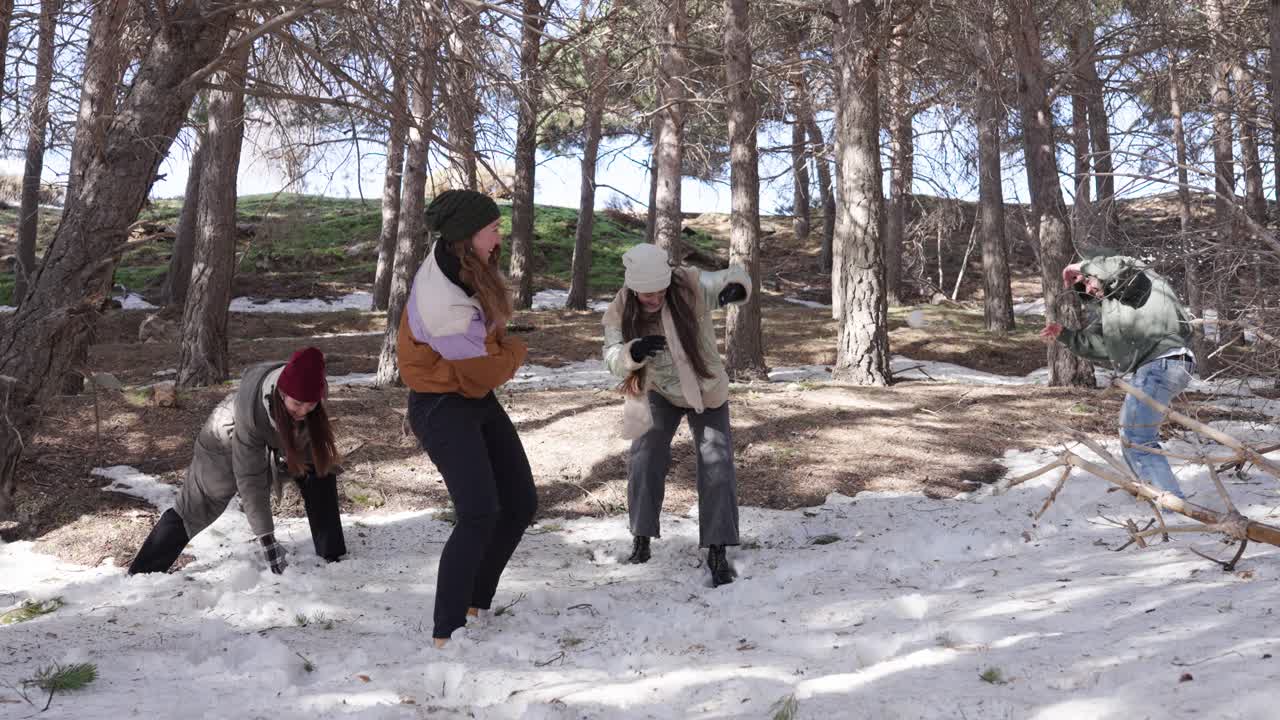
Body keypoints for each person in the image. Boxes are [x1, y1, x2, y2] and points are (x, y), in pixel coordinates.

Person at [398, 189, 536, 648]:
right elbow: (486, 371)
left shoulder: (462, 263)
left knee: (520, 502)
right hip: (440, 405)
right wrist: (515, 350)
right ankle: (447, 630)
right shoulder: (445, 303)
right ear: (467, 235)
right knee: (479, 512)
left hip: (468, 394)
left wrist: (497, 350)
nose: (499, 237)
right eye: (493, 229)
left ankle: (477, 602)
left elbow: (483, 361)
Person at [602, 243, 751, 587]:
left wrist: (734, 289)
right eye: (647, 294)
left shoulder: (688, 284)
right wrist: (632, 352)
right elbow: (610, 355)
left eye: (660, 291)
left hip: (705, 388)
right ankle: (641, 537)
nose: (654, 298)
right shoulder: (621, 306)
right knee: (645, 457)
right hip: (658, 389)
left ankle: (717, 547)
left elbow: (732, 275)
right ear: (634, 289)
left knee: (717, 461)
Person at [129, 347, 345, 574]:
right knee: (199, 503)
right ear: (282, 394)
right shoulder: (251, 409)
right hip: (225, 439)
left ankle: (332, 554)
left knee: (320, 469)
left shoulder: (312, 396)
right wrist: (268, 542)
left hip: (277, 436)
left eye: (310, 405)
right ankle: (143, 572)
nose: (304, 411)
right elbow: (251, 479)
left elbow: (313, 443)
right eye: (298, 404)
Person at [1041, 253, 1196, 498]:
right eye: (1084, 288)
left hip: (1163, 362)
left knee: (1138, 438)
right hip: (1161, 366)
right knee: (1130, 435)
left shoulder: (1135, 277)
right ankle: (1154, 493)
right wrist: (1065, 334)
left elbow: (1118, 267)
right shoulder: (1113, 309)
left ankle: (1170, 503)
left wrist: (1081, 266)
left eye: (1088, 281)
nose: (1089, 290)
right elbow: (1103, 345)